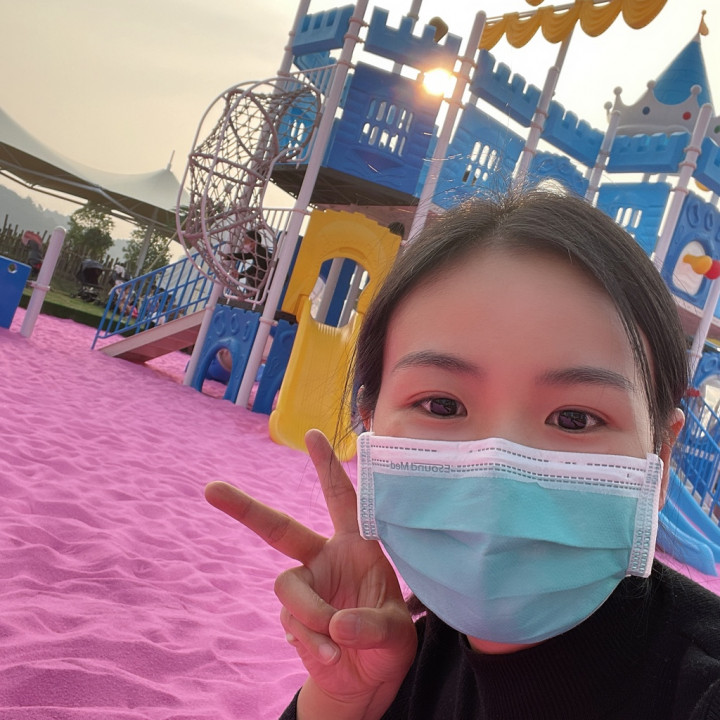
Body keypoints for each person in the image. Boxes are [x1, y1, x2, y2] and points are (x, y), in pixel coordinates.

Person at [205, 190, 720, 719]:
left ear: (660, 456)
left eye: (575, 418)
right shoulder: (393, 658)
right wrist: (343, 702)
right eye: (442, 405)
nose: (496, 479)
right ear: (372, 424)